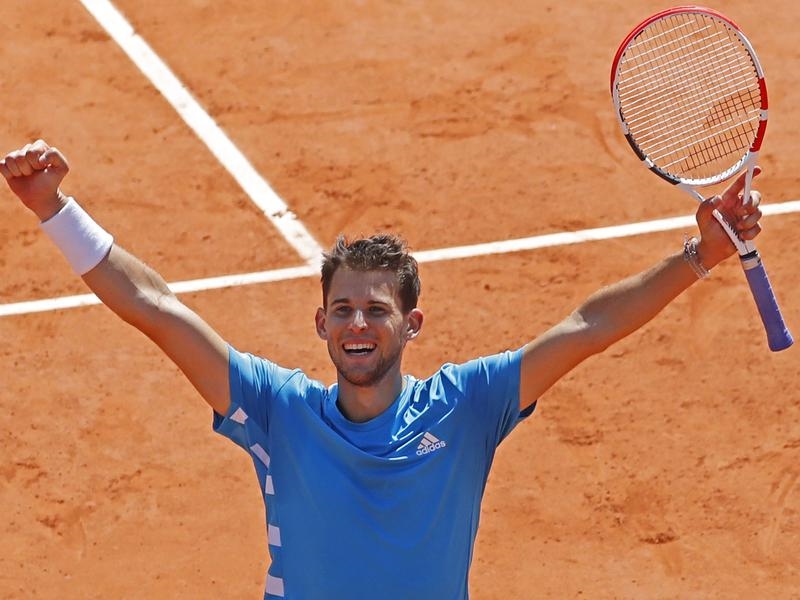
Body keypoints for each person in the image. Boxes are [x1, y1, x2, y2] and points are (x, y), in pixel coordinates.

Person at [1, 140, 764, 599]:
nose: (357, 324)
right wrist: (54, 210)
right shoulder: (276, 410)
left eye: (375, 309)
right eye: (342, 309)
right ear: (321, 324)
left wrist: (699, 256)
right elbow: (156, 308)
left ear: (412, 324)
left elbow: (587, 328)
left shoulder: (467, 406)